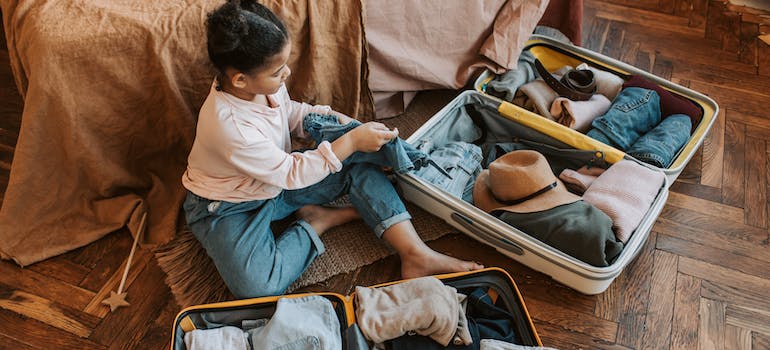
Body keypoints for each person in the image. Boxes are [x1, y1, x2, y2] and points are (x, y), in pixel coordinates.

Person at [181, 0, 482, 299]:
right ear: (240, 80)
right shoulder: (230, 127)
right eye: (277, 72)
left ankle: (416, 254)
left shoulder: (259, 86)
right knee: (258, 286)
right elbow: (292, 173)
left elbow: (288, 113)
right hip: (231, 204)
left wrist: (340, 125)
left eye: (284, 64)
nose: (285, 74)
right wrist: (349, 142)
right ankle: (315, 221)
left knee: (358, 159)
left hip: (276, 182)